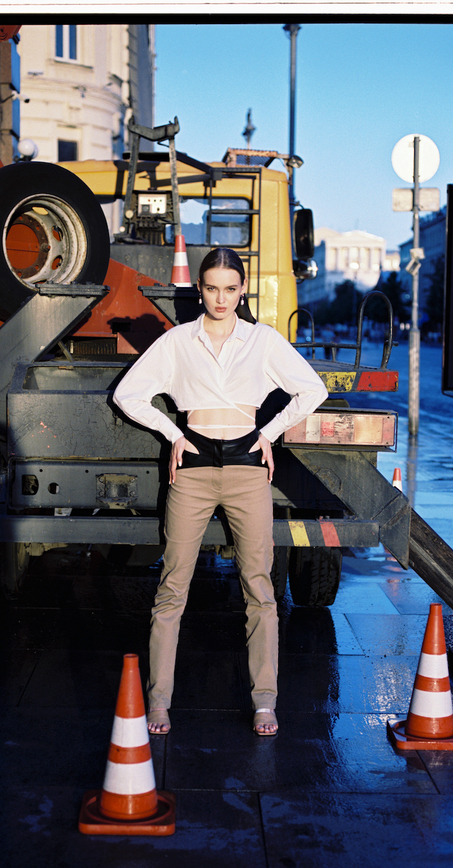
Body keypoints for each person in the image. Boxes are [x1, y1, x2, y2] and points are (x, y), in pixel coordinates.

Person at [113, 247, 327, 736]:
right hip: (192, 468)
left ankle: (265, 702)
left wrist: (269, 433)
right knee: (172, 586)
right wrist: (172, 433)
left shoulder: (262, 340)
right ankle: (159, 701)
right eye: (212, 288)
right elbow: (128, 394)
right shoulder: (177, 342)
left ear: (242, 290)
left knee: (260, 587)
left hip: (247, 467)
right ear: (200, 290)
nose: (221, 298)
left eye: (230, 289)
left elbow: (312, 389)